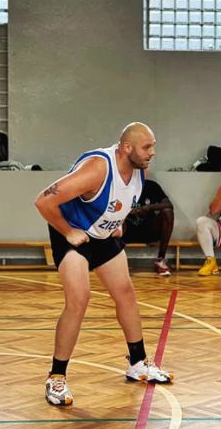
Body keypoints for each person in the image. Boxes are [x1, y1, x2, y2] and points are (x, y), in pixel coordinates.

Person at [34, 122, 173, 406]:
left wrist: (118, 223)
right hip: (72, 234)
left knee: (125, 293)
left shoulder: (140, 170)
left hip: (102, 234)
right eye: (147, 147)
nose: (153, 152)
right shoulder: (98, 169)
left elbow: (121, 200)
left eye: (153, 146)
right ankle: (56, 377)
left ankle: (137, 363)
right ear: (126, 148)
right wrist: (68, 231)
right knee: (79, 300)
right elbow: (43, 201)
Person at [122, 178, 174, 277]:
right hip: (127, 231)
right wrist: (128, 211)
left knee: (168, 212)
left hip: (149, 230)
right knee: (116, 218)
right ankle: (116, 260)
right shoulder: (120, 185)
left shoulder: (151, 185)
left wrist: (149, 208)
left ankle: (160, 260)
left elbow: (168, 204)